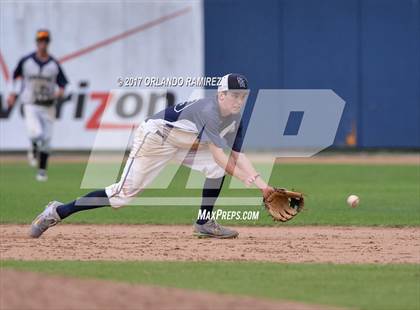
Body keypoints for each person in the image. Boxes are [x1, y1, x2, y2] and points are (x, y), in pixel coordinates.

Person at [29, 73, 274, 239]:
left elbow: (238, 155)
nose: (239, 100)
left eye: (243, 96)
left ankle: (204, 223)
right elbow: (221, 156)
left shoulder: (235, 119)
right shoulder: (210, 111)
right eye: (234, 95)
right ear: (221, 95)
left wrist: (265, 187)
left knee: (215, 170)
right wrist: (246, 180)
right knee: (120, 196)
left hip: (185, 142)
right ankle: (57, 211)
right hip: (156, 138)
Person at [7, 29, 68, 181]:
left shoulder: (53, 64)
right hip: (31, 103)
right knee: (36, 133)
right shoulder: (26, 61)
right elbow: (14, 77)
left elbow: (64, 84)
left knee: (46, 140)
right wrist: (12, 94)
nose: (43, 44)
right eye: (40, 41)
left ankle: (42, 171)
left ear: (48, 43)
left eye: (45, 41)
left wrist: (60, 92)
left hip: (48, 105)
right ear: (37, 42)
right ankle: (34, 146)